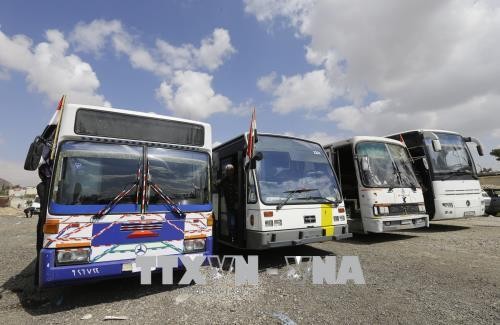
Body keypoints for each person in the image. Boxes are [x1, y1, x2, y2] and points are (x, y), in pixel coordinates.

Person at [216, 164, 238, 241]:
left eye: (231, 170)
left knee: (235, 221)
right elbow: (216, 185)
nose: (230, 172)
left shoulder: (238, 179)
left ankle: (234, 236)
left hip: (238, 204)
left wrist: (237, 202)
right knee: (231, 222)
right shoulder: (224, 180)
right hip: (229, 205)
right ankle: (232, 236)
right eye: (228, 170)